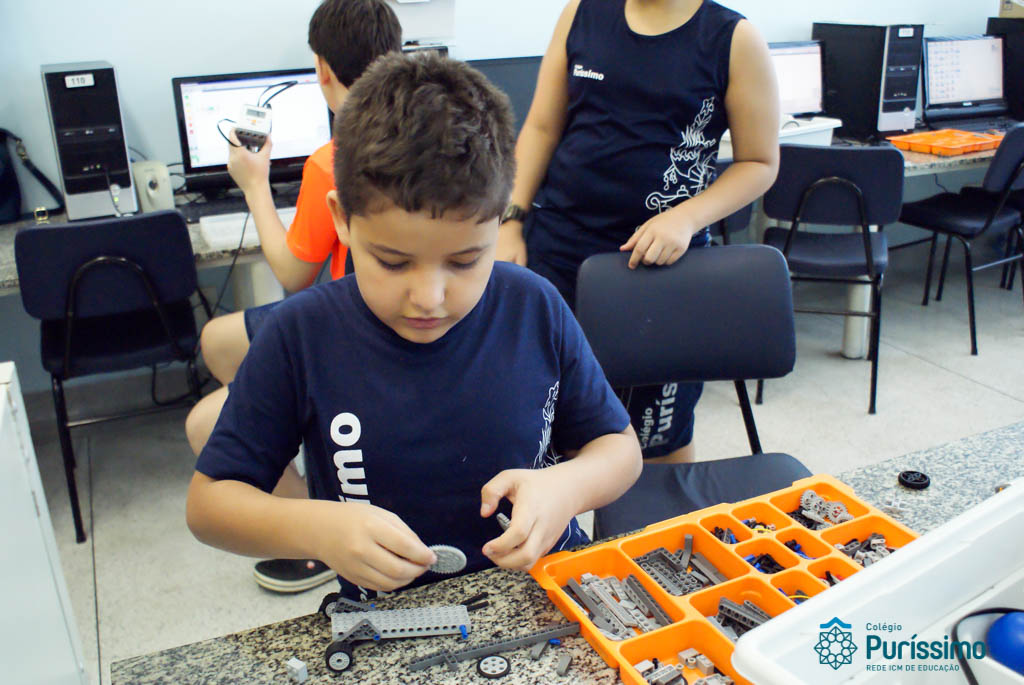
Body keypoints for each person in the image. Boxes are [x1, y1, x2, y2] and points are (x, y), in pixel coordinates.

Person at [185, 52, 643, 602]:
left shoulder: (535, 306)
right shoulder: (300, 336)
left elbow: (620, 449)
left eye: (465, 261)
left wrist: (566, 487)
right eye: (394, 262)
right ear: (341, 219)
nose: (429, 298)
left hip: (543, 591)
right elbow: (209, 505)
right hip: (388, 616)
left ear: (499, 221)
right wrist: (316, 527)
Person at [496, 0, 780, 465]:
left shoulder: (733, 38)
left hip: (660, 266)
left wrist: (687, 217)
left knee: (657, 438)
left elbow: (760, 162)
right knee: (547, 424)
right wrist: (510, 220)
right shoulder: (582, 13)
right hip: (561, 252)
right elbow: (542, 128)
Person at [183, 0, 402, 593]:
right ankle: (294, 424)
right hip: (349, 304)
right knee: (218, 340)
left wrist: (254, 183)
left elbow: (293, 273)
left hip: (353, 319)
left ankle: (318, 534)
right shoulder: (403, 139)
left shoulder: (333, 160)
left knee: (205, 425)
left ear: (322, 69)